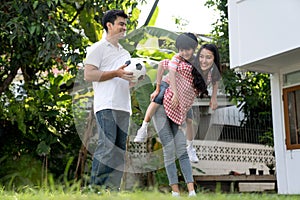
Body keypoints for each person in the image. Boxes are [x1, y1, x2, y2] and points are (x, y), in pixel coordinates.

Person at [153, 42, 221, 197]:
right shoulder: (187, 66)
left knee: (182, 149)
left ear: (214, 60)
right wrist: (159, 87)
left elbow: (215, 81)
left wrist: (214, 98)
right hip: (163, 107)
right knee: (169, 149)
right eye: (202, 57)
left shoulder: (210, 74)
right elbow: (164, 64)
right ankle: (175, 192)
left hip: (178, 111)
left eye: (208, 58)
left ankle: (191, 191)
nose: (204, 61)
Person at [83, 9, 134, 191]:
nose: (124, 27)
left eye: (125, 24)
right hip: (106, 105)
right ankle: (94, 189)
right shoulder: (98, 48)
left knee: (119, 150)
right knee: (107, 145)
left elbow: (126, 81)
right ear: (109, 25)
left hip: (124, 106)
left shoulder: (126, 54)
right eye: (121, 24)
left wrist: (134, 79)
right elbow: (89, 74)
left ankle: (112, 191)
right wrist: (116, 73)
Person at [134, 33, 200, 163]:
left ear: (194, 48)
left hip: (183, 93)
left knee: (190, 120)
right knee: (157, 99)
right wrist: (158, 88)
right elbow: (163, 66)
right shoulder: (176, 59)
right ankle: (143, 127)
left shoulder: (196, 62)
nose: (184, 53)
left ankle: (190, 147)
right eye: (181, 50)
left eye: (187, 49)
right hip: (169, 83)